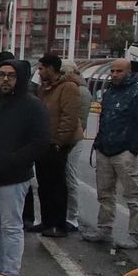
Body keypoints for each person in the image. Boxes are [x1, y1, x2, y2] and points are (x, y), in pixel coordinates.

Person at [0, 59, 50, 276]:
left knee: (11, 228)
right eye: (2, 74)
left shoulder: (33, 106)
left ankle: (10, 275)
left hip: (13, 179)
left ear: (20, 78)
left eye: (11, 75)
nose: (5, 79)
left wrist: (13, 160)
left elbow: (41, 141)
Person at [82, 59, 138, 250]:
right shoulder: (110, 93)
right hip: (105, 149)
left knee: (134, 195)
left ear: (129, 72)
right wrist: (98, 144)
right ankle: (104, 229)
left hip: (125, 153)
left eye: (119, 71)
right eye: (112, 71)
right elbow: (104, 119)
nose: (114, 74)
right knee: (104, 194)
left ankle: (135, 234)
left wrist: (133, 149)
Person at [35, 53, 83, 237]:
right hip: (44, 142)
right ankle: (47, 221)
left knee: (57, 184)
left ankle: (58, 223)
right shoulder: (45, 88)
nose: (39, 72)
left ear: (51, 69)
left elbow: (69, 118)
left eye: (41, 68)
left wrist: (58, 142)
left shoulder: (68, 87)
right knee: (44, 183)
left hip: (58, 144)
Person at [61, 61, 93, 231]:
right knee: (66, 177)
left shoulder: (78, 91)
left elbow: (77, 119)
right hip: (69, 138)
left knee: (69, 176)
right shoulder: (78, 89)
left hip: (72, 139)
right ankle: (68, 214)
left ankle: (71, 216)